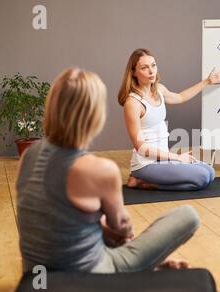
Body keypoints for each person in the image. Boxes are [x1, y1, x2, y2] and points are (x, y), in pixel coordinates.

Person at [17, 68, 200, 273]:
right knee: (188, 215)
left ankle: (148, 264)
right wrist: (126, 237)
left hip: (34, 272)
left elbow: (59, 217)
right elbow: (123, 229)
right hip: (90, 272)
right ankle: (141, 266)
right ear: (95, 115)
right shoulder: (100, 170)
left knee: (107, 228)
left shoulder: (28, 155)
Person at [118, 48, 220, 190]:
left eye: (153, 65)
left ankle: (141, 180)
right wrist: (177, 157)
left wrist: (207, 81)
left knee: (210, 173)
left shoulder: (159, 90)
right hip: (147, 164)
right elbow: (142, 148)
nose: (151, 71)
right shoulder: (133, 103)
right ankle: (143, 182)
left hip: (164, 159)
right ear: (133, 72)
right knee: (202, 178)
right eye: (144, 68)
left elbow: (181, 97)